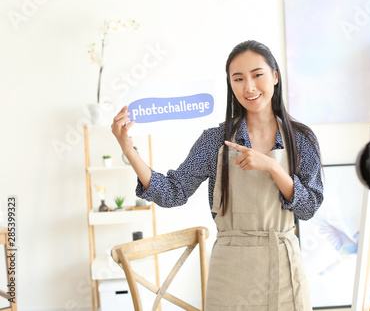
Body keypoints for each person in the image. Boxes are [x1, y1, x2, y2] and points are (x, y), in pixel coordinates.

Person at [111, 40, 323, 310]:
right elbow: (173, 192)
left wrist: (273, 167)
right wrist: (128, 149)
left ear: (275, 76)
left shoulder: (300, 139)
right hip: (230, 273)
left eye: (257, 75)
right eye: (238, 78)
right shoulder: (215, 140)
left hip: (282, 266)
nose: (249, 87)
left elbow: (309, 208)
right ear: (230, 84)